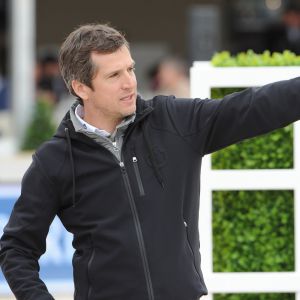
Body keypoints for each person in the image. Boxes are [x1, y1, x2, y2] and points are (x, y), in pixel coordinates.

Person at [0, 23, 300, 300]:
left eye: (129, 69)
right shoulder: (55, 160)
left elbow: (251, 108)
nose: (130, 82)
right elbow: (16, 248)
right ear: (81, 88)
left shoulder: (173, 121)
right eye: (114, 75)